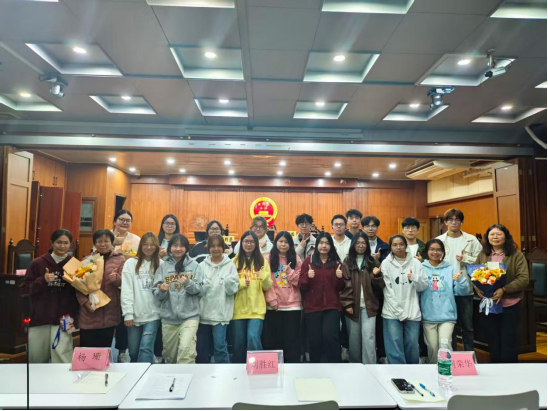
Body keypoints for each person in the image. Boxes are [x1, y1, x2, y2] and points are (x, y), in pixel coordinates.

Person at [22, 229, 79, 363]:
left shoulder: (74, 264)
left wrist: (74, 316)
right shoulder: (38, 263)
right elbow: (25, 289)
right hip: (40, 316)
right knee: (37, 356)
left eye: (66, 243)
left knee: (62, 357)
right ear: (52, 243)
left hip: (65, 317)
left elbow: (78, 293)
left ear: (70, 244)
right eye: (59, 242)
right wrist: (42, 280)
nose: (62, 246)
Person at [475, 224, 529, 364]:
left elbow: (523, 278)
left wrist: (504, 290)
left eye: (499, 234)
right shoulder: (483, 255)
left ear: (506, 237)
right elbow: (475, 275)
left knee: (508, 339)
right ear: (487, 237)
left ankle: (510, 371)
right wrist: (478, 289)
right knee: (493, 338)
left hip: (510, 304)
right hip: (490, 305)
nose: (495, 237)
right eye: (492, 234)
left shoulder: (516, 255)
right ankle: (496, 369)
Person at [153, 234, 204, 364]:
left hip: (190, 317)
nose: (178, 249)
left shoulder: (195, 266)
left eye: (181, 246)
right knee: (170, 357)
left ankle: (187, 377)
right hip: (168, 318)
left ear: (186, 248)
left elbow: (200, 290)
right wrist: (162, 291)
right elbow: (156, 292)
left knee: (186, 353)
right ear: (170, 248)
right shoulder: (163, 267)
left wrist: (188, 284)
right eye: (175, 245)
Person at [436, 209, 482, 352]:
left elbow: (481, 262)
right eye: (450, 219)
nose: (454, 222)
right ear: (445, 222)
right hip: (444, 289)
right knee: (448, 326)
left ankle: (469, 356)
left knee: (467, 326)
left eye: (457, 219)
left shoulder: (471, 240)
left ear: (462, 222)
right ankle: (452, 355)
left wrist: (465, 259)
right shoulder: (439, 240)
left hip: (465, 288)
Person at [421, 239, 470, 364]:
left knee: (445, 345)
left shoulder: (450, 269)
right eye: (432, 249)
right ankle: (433, 370)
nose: (435, 252)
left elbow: (463, 291)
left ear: (443, 252)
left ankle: (446, 370)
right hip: (428, 315)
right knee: (432, 347)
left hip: (447, 315)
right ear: (427, 251)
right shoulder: (421, 268)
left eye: (439, 250)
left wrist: (460, 280)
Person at [381, 235, 428, 365]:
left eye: (401, 244)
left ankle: (412, 372)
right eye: (395, 245)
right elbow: (387, 290)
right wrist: (399, 312)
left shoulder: (416, 263)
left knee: (412, 345)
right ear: (390, 247)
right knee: (394, 345)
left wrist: (415, 277)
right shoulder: (386, 263)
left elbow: (423, 286)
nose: (398, 247)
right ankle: (397, 373)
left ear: (406, 246)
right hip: (392, 312)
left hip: (412, 311)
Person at [340, 232, 385, 364]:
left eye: (363, 243)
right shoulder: (347, 261)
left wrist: (377, 276)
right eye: (358, 243)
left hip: (369, 306)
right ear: (353, 244)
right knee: (354, 340)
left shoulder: (373, 261)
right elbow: (344, 284)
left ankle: (370, 367)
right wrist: (347, 303)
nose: (361, 245)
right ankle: (356, 366)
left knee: (369, 338)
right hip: (352, 306)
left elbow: (380, 286)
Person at [299, 233, 345, 363]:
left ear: (331, 246)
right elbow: (301, 285)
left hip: (332, 307)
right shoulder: (309, 261)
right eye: (321, 243)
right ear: (317, 245)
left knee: (331, 337)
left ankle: (335, 366)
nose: (324, 246)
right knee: (315, 340)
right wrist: (308, 276)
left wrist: (339, 278)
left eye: (327, 243)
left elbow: (340, 288)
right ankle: (315, 367)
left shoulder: (336, 262)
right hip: (312, 307)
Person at [78, 230, 125, 349]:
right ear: (94, 243)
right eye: (99, 241)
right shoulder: (87, 260)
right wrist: (85, 302)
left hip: (109, 311)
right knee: (86, 350)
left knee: (103, 351)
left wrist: (117, 279)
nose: (103, 244)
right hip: (90, 311)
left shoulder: (120, 260)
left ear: (112, 242)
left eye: (106, 241)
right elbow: (78, 285)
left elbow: (125, 284)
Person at [197, 234, 239, 364]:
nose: (216, 249)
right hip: (203, 313)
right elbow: (197, 290)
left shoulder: (230, 265)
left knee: (220, 346)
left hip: (221, 314)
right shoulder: (201, 265)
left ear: (223, 247)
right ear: (208, 248)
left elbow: (233, 290)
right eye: (213, 246)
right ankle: (202, 372)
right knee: (201, 348)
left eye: (219, 246)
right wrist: (203, 286)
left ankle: (224, 372)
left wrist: (228, 283)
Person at [231, 231, 273, 363]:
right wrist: (241, 283)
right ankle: (238, 368)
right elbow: (228, 286)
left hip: (256, 309)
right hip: (238, 309)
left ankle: (257, 366)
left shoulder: (262, 261)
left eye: (252, 242)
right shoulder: (233, 262)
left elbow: (267, 286)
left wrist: (263, 277)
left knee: (253, 337)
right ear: (241, 243)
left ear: (256, 244)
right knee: (238, 342)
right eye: (246, 241)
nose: (248, 244)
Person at [121, 232, 162, 364]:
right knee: (133, 351)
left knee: (146, 348)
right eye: (145, 244)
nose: (149, 247)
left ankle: (146, 374)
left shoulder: (161, 264)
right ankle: (136, 373)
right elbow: (126, 290)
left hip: (154, 314)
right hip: (134, 314)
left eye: (152, 244)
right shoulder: (130, 263)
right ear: (140, 246)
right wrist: (128, 313)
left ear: (157, 246)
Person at [263, 231, 303, 363]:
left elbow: (300, 282)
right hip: (274, 306)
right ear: (276, 243)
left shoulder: (296, 258)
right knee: (274, 339)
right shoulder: (268, 258)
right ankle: (275, 366)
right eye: (280, 241)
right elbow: (266, 282)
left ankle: (293, 367)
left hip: (293, 306)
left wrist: (290, 272)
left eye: (286, 242)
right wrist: (272, 300)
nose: (283, 244)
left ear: (290, 244)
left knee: (292, 340)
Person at [111, 209, 141, 362]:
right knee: (110, 318)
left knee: (124, 319)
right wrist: (112, 244)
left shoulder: (136, 239)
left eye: (128, 220)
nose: (124, 222)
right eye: (121, 219)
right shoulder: (106, 236)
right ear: (115, 221)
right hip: (109, 284)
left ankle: (122, 351)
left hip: (129, 284)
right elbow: (95, 256)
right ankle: (104, 353)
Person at [362, 215, 390, 363]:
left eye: (373, 226)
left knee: (379, 323)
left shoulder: (384, 246)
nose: (370, 228)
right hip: (362, 288)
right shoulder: (358, 244)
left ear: (377, 228)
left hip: (378, 290)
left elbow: (388, 267)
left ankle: (381, 354)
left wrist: (379, 259)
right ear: (363, 228)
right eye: (367, 226)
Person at [331, 214, 351, 360]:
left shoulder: (351, 243)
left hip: (347, 285)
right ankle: (334, 349)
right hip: (330, 285)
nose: (339, 227)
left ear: (345, 226)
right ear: (332, 226)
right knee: (332, 320)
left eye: (341, 224)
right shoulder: (327, 242)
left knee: (345, 319)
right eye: (336, 224)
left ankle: (345, 348)